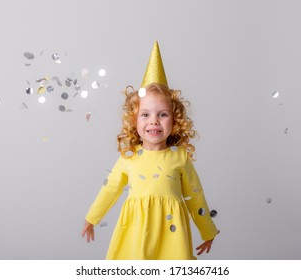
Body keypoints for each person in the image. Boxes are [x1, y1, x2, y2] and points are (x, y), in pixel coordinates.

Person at [81, 41, 219, 259]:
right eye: (145, 115)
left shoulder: (179, 157)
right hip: (137, 234)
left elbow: (195, 196)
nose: (153, 121)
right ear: (134, 120)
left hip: (172, 238)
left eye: (162, 114)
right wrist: (92, 218)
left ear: (175, 121)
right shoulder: (130, 158)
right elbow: (110, 190)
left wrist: (207, 230)